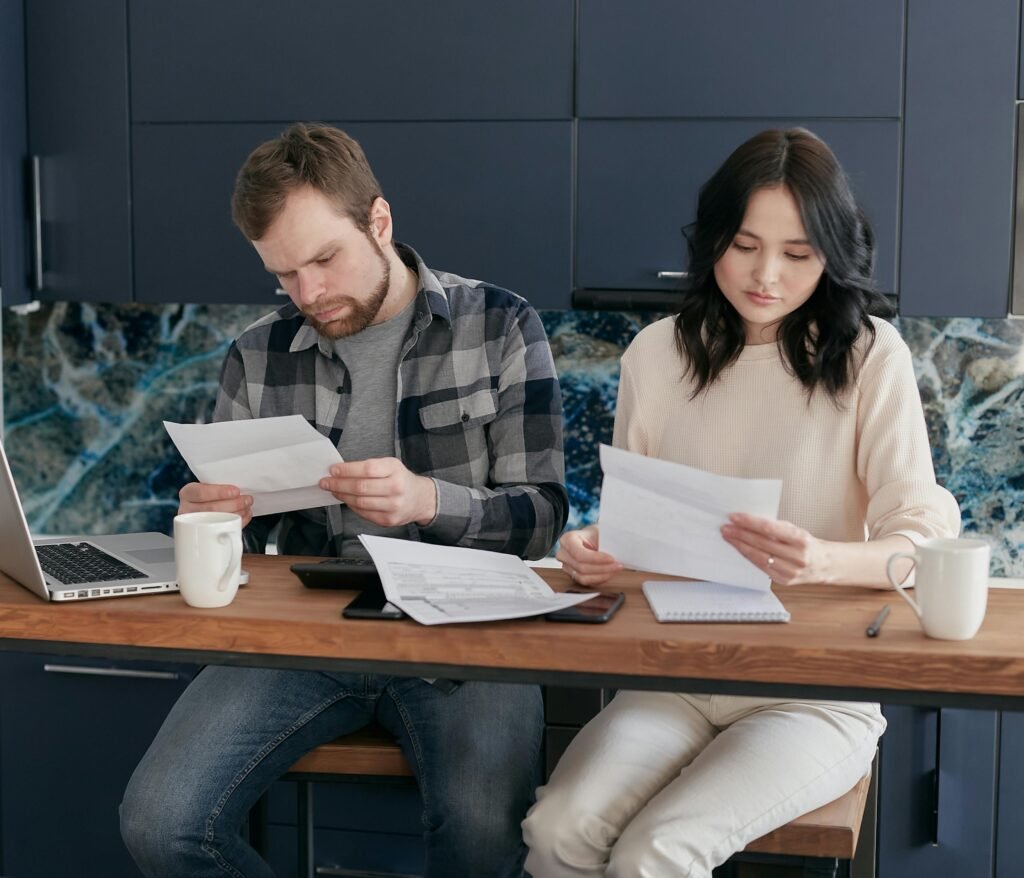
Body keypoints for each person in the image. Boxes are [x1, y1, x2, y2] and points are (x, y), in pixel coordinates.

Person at [120, 122, 568, 878]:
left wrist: (429, 500)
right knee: (159, 823)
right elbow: (234, 529)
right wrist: (212, 510)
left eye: (324, 259)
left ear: (379, 222)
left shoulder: (499, 325)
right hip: (304, 633)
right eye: (283, 275)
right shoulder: (257, 353)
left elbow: (543, 518)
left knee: (483, 835)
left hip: (468, 635)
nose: (309, 294)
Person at [521, 128, 961, 878]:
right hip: (676, 677)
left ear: (831, 254)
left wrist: (822, 560)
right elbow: (639, 530)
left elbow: (922, 544)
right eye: (744, 245)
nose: (766, 276)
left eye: (797, 254)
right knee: (558, 828)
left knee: (655, 853)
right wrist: (596, 551)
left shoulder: (870, 356)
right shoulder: (656, 354)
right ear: (712, 239)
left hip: (815, 692)